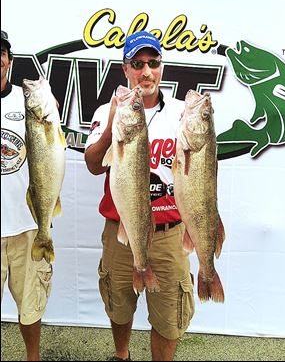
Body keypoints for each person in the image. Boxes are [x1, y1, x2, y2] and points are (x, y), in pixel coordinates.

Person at [85, 31, 195, 361]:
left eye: (153, 63)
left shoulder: (181, 113)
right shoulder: (108, 110)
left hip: (168, 234)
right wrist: (112, 126)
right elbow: (92, 163)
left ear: (161, 67)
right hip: (121, 231)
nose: (146, 71)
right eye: (137, 63)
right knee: (119, 303)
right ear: (125, 69)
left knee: (168, 315)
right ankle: (122, 355)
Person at [1, 30, 53, 361]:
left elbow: (48, 148)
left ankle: (32, 357)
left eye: (0, 53)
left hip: (27, 225)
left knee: (30, 304)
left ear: (8, 60)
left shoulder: (26, 100)